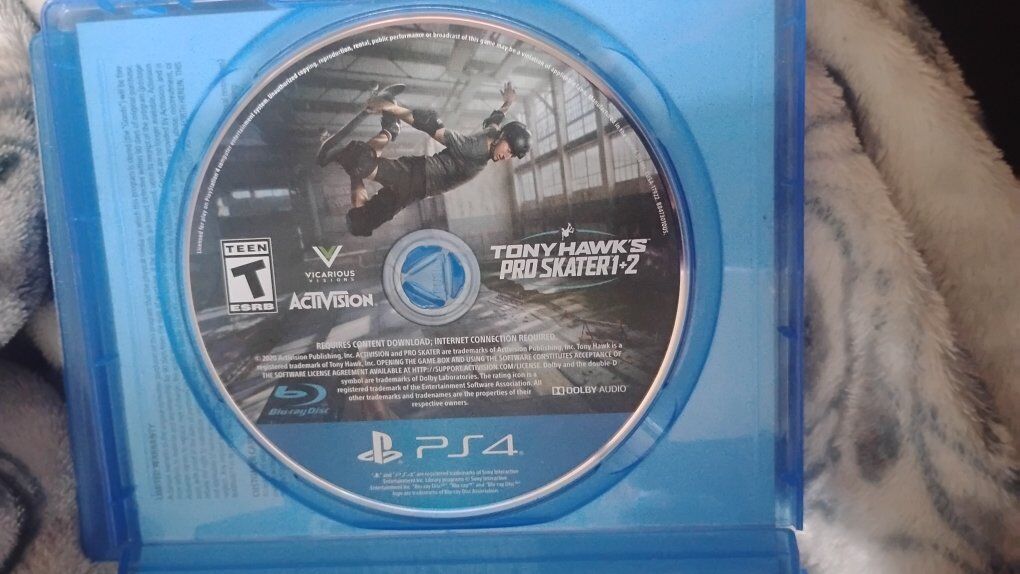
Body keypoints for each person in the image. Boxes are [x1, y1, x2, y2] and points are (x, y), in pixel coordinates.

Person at [332, 81, 531, 236]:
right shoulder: (472, 148)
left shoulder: (493, 134)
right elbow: (430, 125)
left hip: (415, 192)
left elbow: (494, 120)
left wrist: (508, 103)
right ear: (502, 137)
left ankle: (389, 131)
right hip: (415, 174)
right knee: (359, 162)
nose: (506, 156)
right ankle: (352, 150)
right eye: (509, 150)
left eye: (511, 155)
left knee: (360, 224)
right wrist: (388, 106)